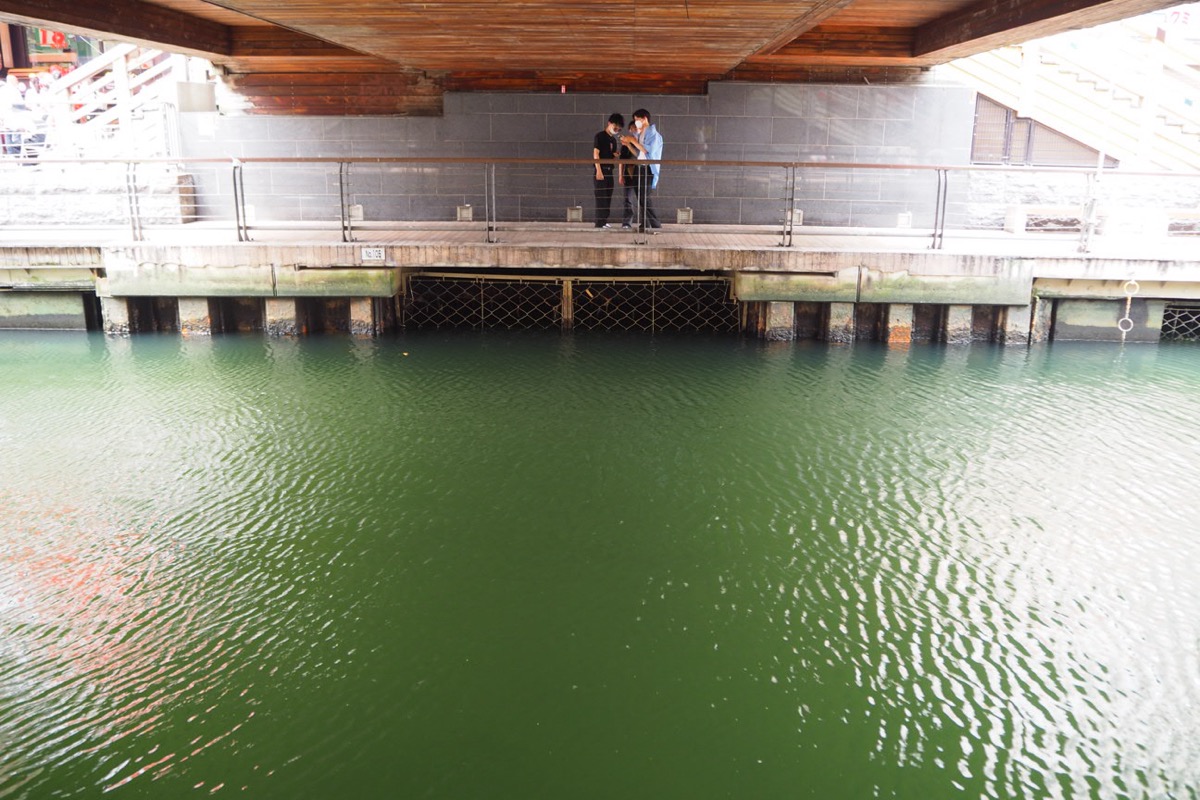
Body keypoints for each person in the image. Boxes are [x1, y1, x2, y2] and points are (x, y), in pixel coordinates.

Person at [630, 108, 662, 232]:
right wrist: (629, 144)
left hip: (648, 168)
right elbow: (639, 153)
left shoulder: (653, 134)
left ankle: (655, 224)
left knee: (644, 197)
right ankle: (645, 224)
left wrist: (632, 141)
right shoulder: (641, 134)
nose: (636, 122)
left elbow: (648, 150)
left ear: (645, 118)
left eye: (637, 119)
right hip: (640, 167)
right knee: (640, 197)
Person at [592, 112, 623, 228]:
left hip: (610, 171)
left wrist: (616, 155)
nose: (616, 130)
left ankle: (604, 220)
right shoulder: (600, 136)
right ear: (609, 123)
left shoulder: (613, 140)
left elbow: (612, 156)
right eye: (615, 127)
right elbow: (596, 153)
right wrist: (598, 170)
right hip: (601, 170)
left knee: (608, 196)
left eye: (619, 129)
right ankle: (599, 222)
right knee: (601, 197)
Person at [619, 121, 640, 230]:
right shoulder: (625, 144)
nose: (633, 130)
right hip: (629, 173)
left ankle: (646, 222)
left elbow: (638, 155)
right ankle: (627, 222)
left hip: (641, 173)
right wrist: (620, 175)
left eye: (635, 128)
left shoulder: (642, 142)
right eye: (631, 129)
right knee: (627, 199)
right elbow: (621, 161)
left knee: (643, 199)